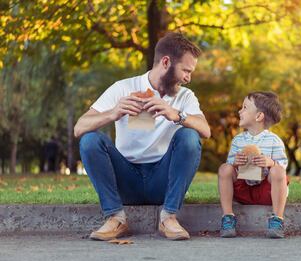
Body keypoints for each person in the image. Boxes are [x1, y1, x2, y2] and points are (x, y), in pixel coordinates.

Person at [74, 33, 210, 241]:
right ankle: (115, 218)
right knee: (89, 140)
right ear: (166, 62)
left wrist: (177, 115)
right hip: (126, 180)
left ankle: (169, 217)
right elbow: (79, 128)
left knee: (189, 135)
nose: (188, 78)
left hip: (162, 181)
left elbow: (205, 131)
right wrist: (113, 113)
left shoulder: (185, 96)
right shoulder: (123, 88)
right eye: (185, 70)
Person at [218, 91, 288, 238]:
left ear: (259, 116)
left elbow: (282, 168)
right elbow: (230, 166)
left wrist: (271, 163)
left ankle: (277, 219)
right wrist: (235, 163)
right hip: (242, 190)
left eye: (244, 107)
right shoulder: (238, 141)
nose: (239, 111)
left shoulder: (274, 141)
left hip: (267, 192)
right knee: (224, 168)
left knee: (278, 171)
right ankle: (228, 217)